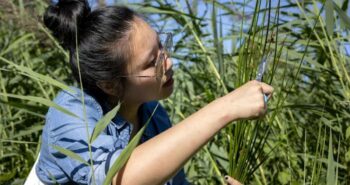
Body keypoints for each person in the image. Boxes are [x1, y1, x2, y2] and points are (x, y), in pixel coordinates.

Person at [35, 0, 274, 185]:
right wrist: (225, 108)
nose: (168, 62)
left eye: (161, 45)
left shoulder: (154, 115)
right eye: (152, 62)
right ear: (109, 84)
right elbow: (115, 178)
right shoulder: (71, 111)